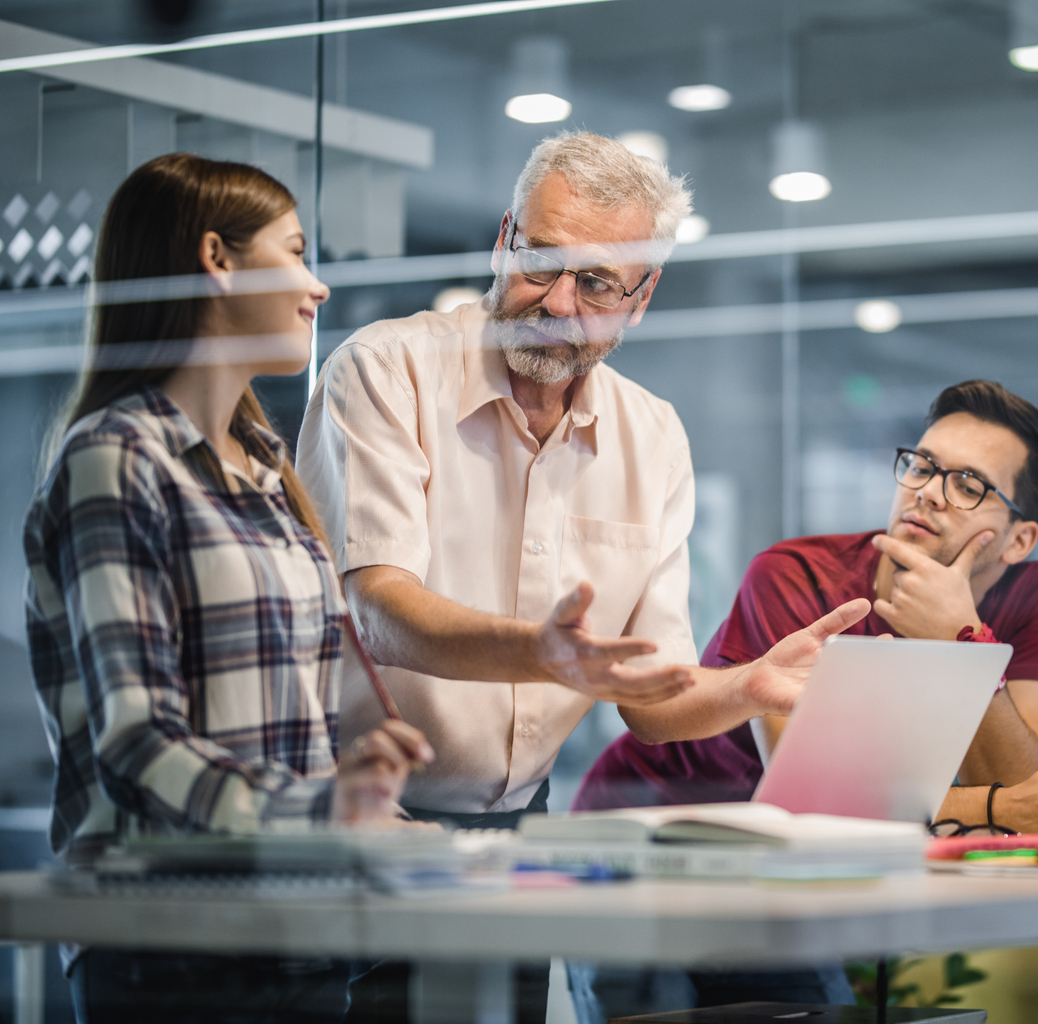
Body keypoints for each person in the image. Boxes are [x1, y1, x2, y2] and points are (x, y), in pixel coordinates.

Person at [295, 130, 865, 1021]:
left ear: (640, 300)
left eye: (597, 282)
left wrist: (749, 688)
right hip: (347, 829)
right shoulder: (386, 368)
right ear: (503, 239)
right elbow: (378, 608)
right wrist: (547, 655)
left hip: (513, 839)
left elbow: (649, 703)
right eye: (541, 259)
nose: (557, 300)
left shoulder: (653, 435)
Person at [25, 153, 432, 1024]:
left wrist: (364, 814)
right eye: (293, 252)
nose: (318, 287)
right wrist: (323, 809)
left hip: (299, 929)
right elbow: (135, 744)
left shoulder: (268, 470)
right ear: (217, 258)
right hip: (168, 946)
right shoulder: (115, 459)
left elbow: (294, 731)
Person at [575, 380, 1038, 834]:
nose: (929, 491)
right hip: (663, 823)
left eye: (968, 484)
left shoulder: (1031, 596)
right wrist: (991, 807)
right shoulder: (796, 576)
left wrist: (964, 638)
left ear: (1019, 541)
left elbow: (1031, 795)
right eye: (922, 465)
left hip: (817, 858)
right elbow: (811, 798)